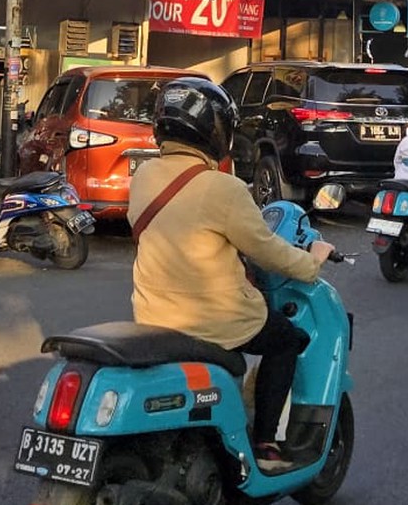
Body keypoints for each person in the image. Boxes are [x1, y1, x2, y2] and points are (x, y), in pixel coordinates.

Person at [128, 77, 333, 472]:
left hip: (154, 318)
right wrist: (313, 261)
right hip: (213, 323)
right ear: (213, 131)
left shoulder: (144, 177)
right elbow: (268, 250)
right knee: (288, 339)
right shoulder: (224, 188)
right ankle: (267, 443)